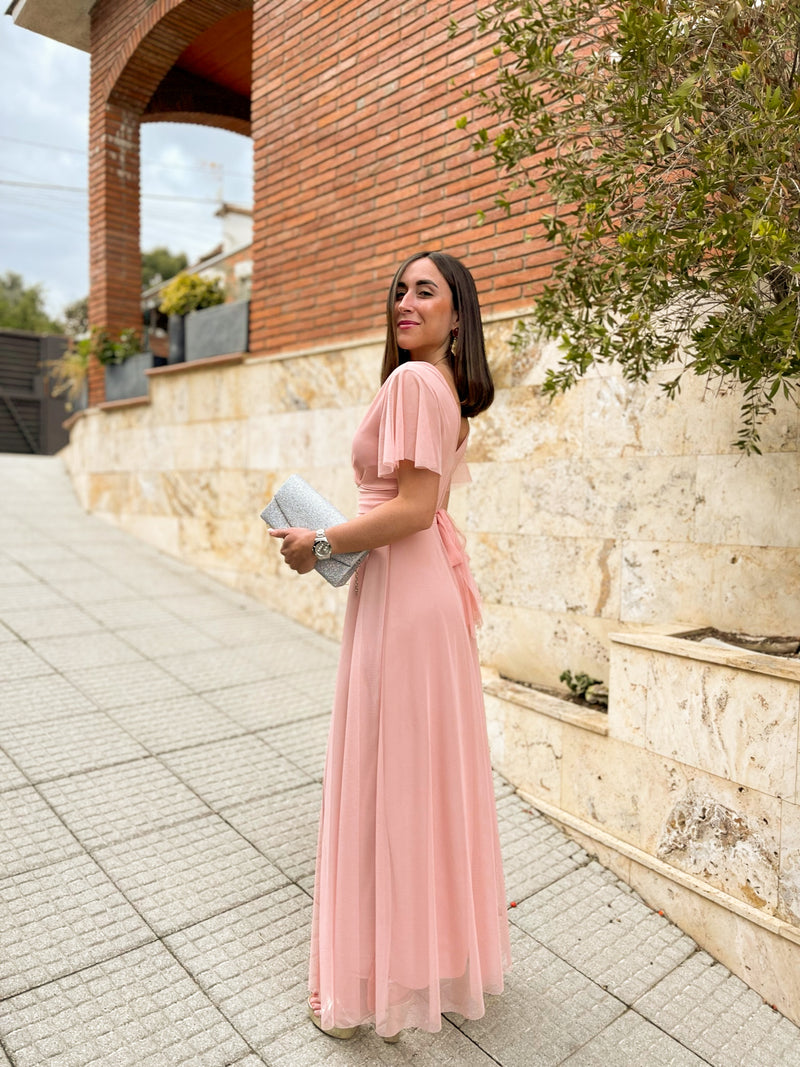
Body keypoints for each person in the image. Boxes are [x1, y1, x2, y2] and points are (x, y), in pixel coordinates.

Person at [270, 251, 511, 1042]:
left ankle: (370, 985)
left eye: (425, 291)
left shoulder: (411, 383)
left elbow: (410, 509)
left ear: (457, 314)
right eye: (399, 290)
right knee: (419, 782)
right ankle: (417, 966)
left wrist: (321, 540)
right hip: (418, 597)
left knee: (387, 781)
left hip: (403, 597)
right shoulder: (443, 389)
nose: (405, 301)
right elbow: (422, 505)